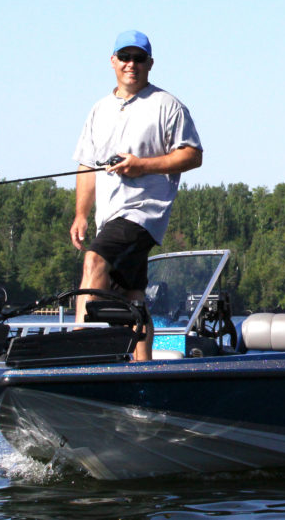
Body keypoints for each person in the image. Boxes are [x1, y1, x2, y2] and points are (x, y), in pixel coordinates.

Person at [70, 30, 203, 361]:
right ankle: (143, 368)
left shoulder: (167, 106)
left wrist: (141, 166)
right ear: (113, 62)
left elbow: (193, 155)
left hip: (144, 213)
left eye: (139, 58)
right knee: (133, 296)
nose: (132, 64)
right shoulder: (99, 110)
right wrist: (81, 214)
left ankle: (77, 350)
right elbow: (87, 166)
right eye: (125, 57)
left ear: (150, 64)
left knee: (94, 260)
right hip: (110, 215)